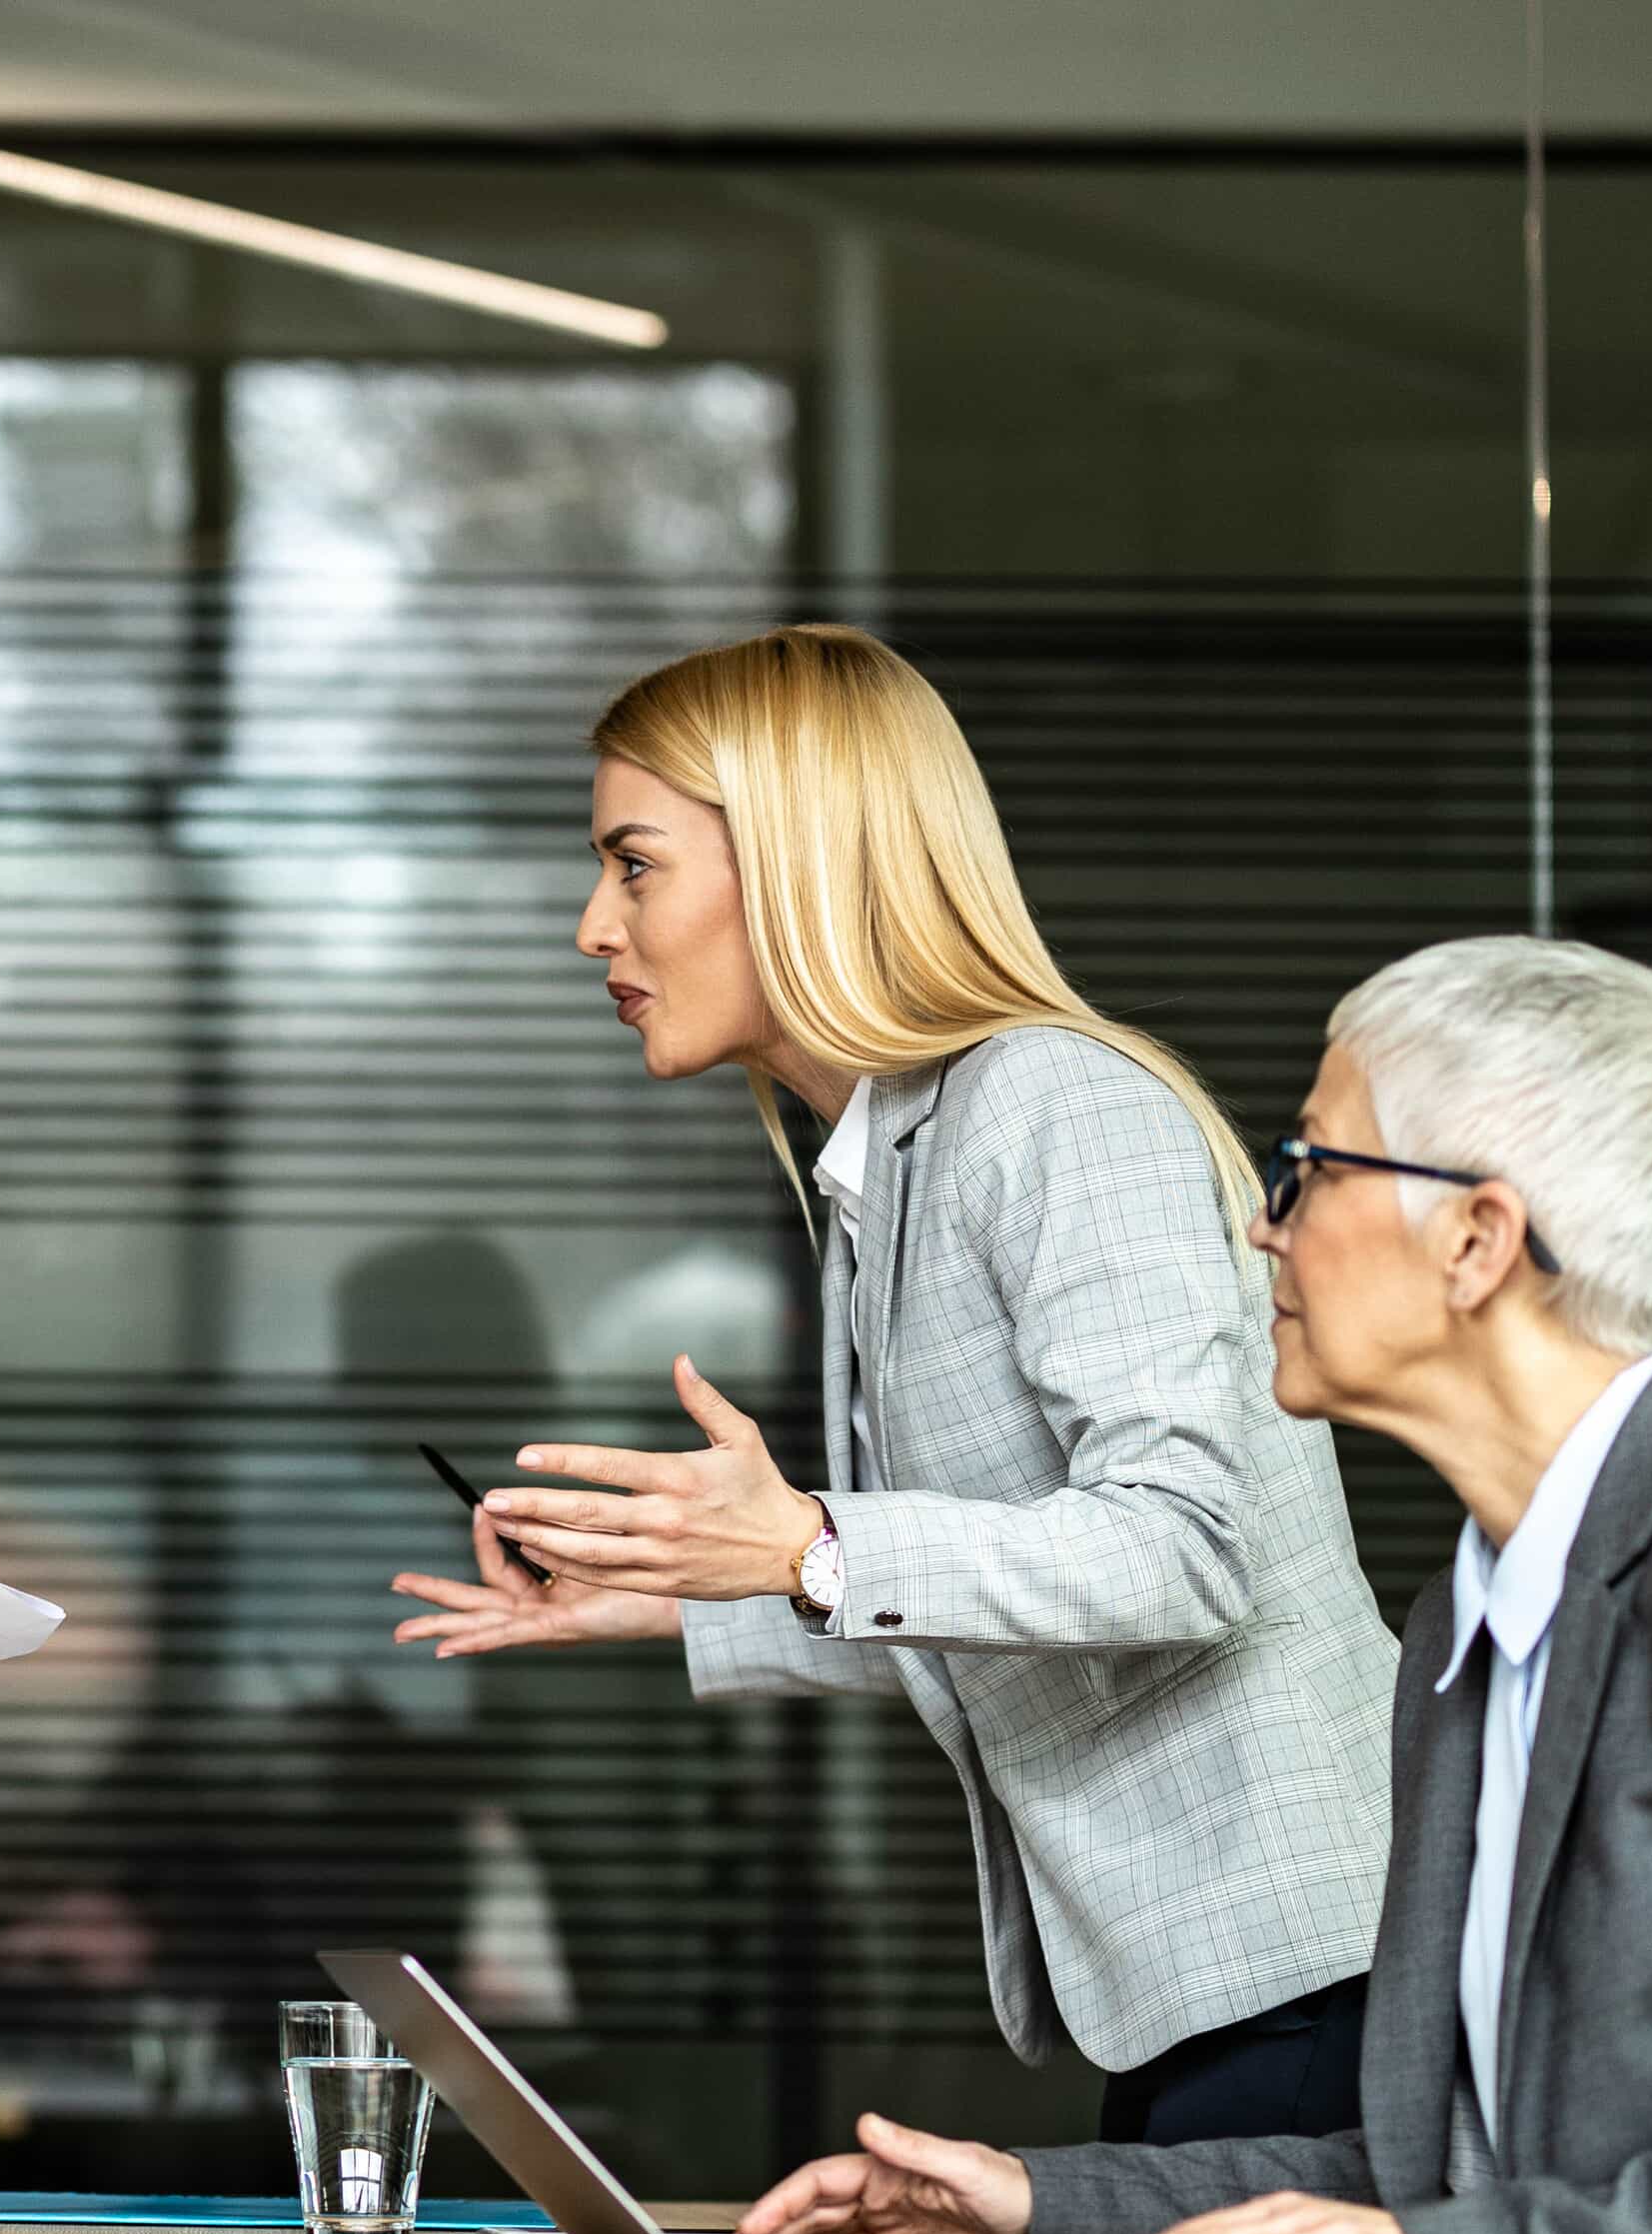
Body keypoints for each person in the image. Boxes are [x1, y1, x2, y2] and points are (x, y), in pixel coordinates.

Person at [733, 939, 1652, 2234]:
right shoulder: (1465, 1628)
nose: (1263, 1228)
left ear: (1479, 1241)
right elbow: (1437, 2188)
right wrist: (1036, 2204)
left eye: (1314, 1171)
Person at [388, 624, 1394, 2144]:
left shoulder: (1053, 1109)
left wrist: (804, 1546)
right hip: (1205, 1988)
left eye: (634, 863)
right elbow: (1014, 1604)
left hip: (1309, 1974)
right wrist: (686, 1594)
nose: (592, 924)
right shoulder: (892, 1164)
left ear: (796, 861)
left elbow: (1188, 1553)